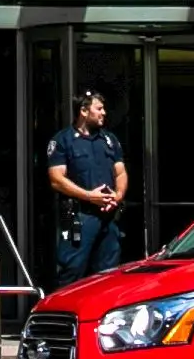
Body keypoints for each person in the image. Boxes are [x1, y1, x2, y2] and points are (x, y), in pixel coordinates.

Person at [42, 88, 129, 285]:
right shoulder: (63, 140)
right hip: (80, 217)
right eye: (99, 108)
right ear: (83, 111)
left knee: (108, 276)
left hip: (109, 217)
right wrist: (89, 196)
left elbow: (121, 172)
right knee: (72, 272)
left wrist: (117, 196)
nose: (104, 113)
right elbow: (56, 179)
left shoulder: (109, 140)